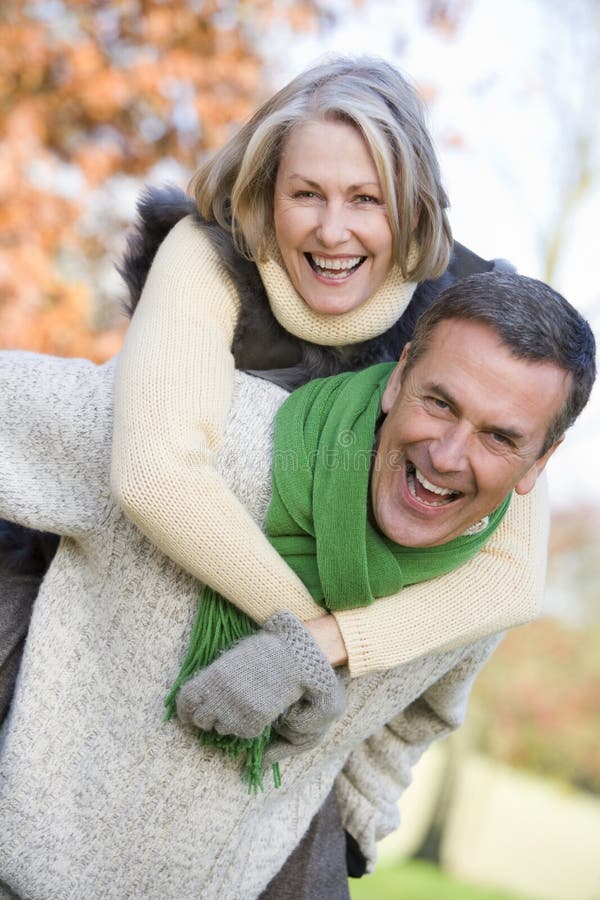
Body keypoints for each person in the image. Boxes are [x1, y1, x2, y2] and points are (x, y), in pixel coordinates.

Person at [0, 272, 594, 900]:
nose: (447, 455)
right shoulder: (210, 436)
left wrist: (353, 837)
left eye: (500, 437)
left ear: (541, 462)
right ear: (398, 379)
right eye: (439, 403)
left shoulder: (473, 596)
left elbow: (413, 720)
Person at [111, 55, 548, 681]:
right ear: (266, 194)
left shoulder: (471, 308)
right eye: (306, 194)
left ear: (415, 212)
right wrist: (302, 639)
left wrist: (335, 644)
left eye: (366, 199)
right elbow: (155, 475)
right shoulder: (204, 255)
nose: (333, 230)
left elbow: (513, 576)